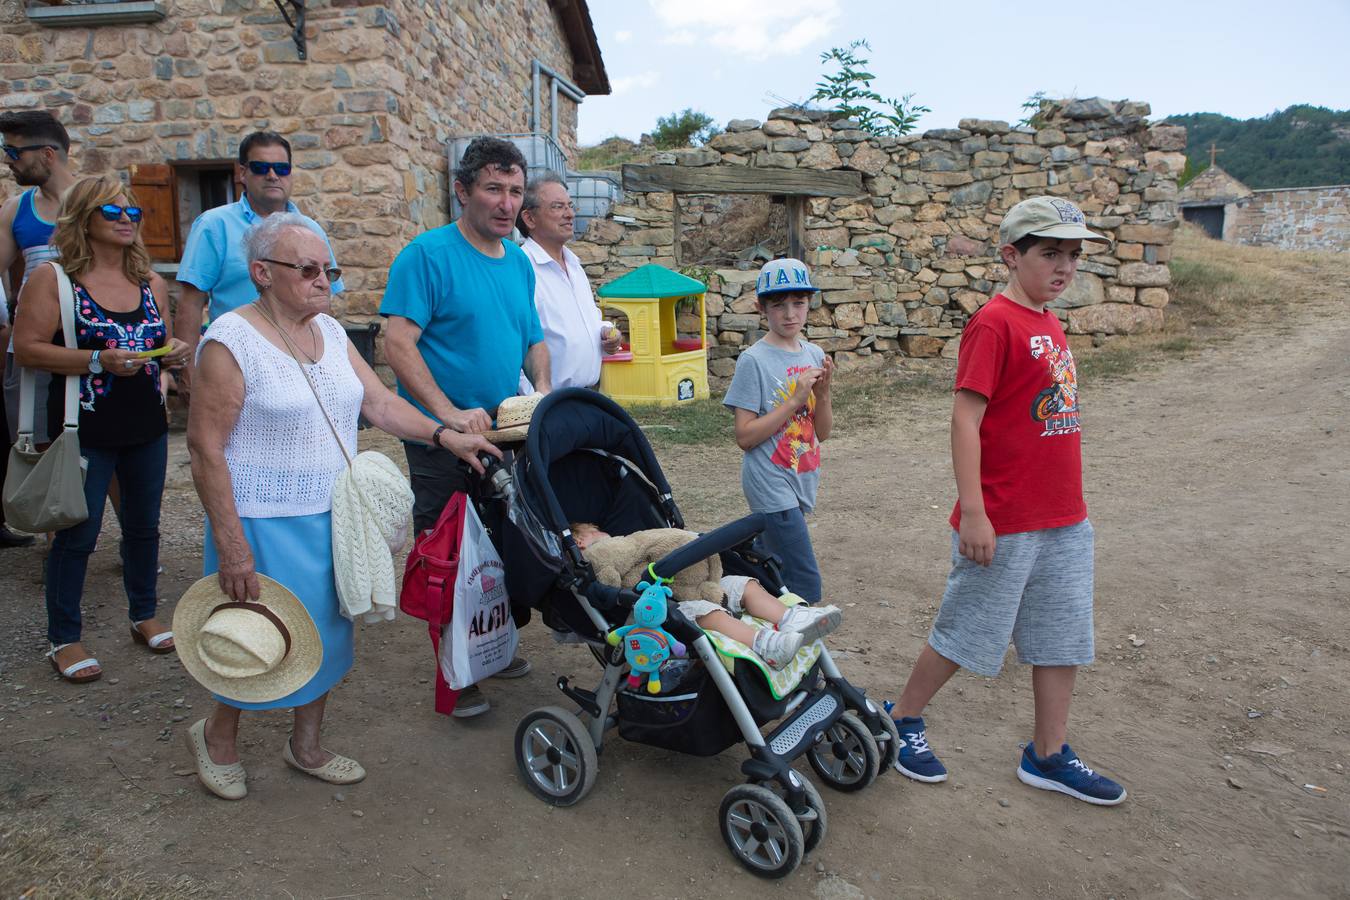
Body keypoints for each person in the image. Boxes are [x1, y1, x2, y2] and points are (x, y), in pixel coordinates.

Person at [185, 213, 499, 800]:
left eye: (328, 270)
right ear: (261, 273)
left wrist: (442, 434)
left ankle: (305, 746)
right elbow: (205, 449)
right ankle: (216, 736)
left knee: (326, 636)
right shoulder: (230, 341)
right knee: (255, 633)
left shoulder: (328, 331)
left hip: (334, 514)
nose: (322, 281)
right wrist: (232, 544)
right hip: (263, 519)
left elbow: (379, 404)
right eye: (306, 270)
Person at [885, 196, 1126, 806]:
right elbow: (966, 418)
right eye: (1050, 253)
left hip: (1065, 516)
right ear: (1011, 256)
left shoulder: (1049, 320)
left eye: (1072, 254)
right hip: (1005, 514)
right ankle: (903, 717)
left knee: (1062, 635)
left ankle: (1047, 754)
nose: (1064, 266)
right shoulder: (995, 322)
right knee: (969, 627)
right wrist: (974, 510)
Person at [380, 136, 550, 718]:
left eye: (515, 191)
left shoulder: (521, 262)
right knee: (452, 553)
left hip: (504, 433)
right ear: (462, 190)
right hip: (440, 439)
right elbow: (396, 342)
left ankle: (491, 648)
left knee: (503, 546)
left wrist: (544, 395)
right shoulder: (427, 255)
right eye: (493, 189)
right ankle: (457, 675)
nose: (506, 204)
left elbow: (532, 340)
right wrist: (445, 412)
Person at [12, 175, 192, 683]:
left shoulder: (150, 282)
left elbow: (163, 342)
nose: (125, 221)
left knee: (143, 526)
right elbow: (27, 349)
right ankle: (64, 637)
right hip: (80, 426)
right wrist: (97, 360)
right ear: (83, 219)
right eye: (112, 213)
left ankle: (144, 613)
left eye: (131, 213)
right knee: (76, 533)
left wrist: (173, 354)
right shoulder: (55, 279)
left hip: (146, 424)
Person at [173, 131, 342, 405]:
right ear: (242, 172)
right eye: (261, 168)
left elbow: (324, 302)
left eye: (282, 168)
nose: (273, 175)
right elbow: (191, 304)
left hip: (301, 363)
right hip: (236, 363)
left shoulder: (310, 229)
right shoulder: (214, 225)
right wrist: (188, 371)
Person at [571, 523, 843, 670]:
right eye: (595, 530)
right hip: (662, 604)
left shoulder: (635, 538)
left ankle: (792, 617)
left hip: (699, 580)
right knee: (703, 611)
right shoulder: (595, 555)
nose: (605, 531)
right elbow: (608, 582)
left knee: (742, 584)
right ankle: (766, 645)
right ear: (581, 540)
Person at [722, 258, 833, 604]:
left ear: (809, 304)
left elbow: (823, 433)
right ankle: (801, 645)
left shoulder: (814, 353)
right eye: (778, 305)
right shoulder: (753, 360)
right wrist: (795, 400)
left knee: (774, 569)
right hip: (770, 482)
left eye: (798, 303)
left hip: (801, 475)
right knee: (804, 583)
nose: (790, 314)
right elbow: (745, 436)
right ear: (761, 308)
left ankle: (743, 605)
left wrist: (823, 393)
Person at [1, 111, 76, 449]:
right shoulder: (15, 208)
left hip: (87, 341)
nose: (8, 161)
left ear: (47, 154)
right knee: (33, 444)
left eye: (15, 152)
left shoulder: (99, 203)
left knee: (96, 445)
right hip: (32, 346)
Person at [517, 172, 621, 390]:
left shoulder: (574, 264)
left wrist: (606, 332)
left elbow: (582, 322)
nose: (570, 214)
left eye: (570, 205)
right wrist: (534, 401)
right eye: (557, 207)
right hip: (548, 403)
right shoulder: (522, 268)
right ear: (529, 218)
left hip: (586, 394)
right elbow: (514, 344)